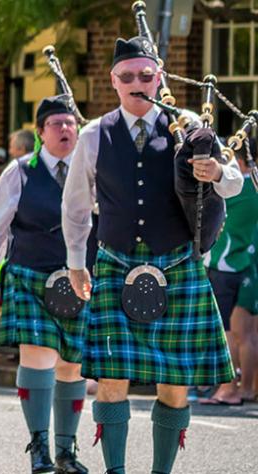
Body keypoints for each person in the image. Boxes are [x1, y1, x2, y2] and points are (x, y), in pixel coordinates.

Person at [63, 36, 241, 474]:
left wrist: (217, 170)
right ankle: (116, 471)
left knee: (175, 384)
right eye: (127, 76)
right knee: (110, 379)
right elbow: (75, 205)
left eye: (146, 75)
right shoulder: (94, 134)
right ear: (114, 82)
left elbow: (234, 182)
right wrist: (75, 261)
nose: (137, 83)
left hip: (178, 264)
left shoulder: (186, 127)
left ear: (159, 77)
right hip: (115, 263)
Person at [0, 95, 95, 474]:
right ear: (40, 133)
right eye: (56, 124)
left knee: (72, 366)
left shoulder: (93, 171)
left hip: (82, 279)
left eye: (71, 123)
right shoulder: (20, 171)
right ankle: (39, 446)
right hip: (29, 275)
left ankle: (66, 451)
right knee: (38, 356)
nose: (65, 129)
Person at [202, 154, 258, 406]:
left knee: (224, 332)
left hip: (223, 263)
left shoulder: (241, 186)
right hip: (246, 263)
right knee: (245, 333)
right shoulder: (254, 188)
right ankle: (247, 388)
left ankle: (228, 389)